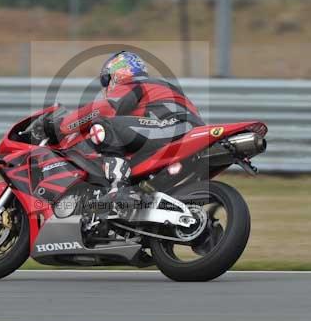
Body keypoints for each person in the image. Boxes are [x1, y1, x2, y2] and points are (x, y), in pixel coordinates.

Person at [43, 51, 204, 214]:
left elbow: (104, 108)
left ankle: (119, 188)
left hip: (174, 127)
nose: (107, 86)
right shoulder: (156, 88)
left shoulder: (134, 83)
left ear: (117, 72)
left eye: (106, 80)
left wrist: (61, 126)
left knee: (104, 126)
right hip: (179, 130)